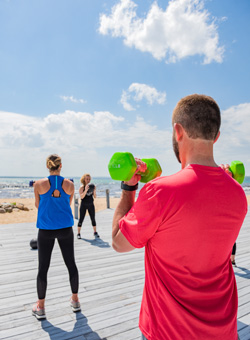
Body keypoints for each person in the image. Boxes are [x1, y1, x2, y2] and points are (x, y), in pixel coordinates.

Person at [112, 94, 248, 340]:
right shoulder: (238, 194)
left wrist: (129, 189)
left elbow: (118, 242)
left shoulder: (161, 191)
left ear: (178, 131)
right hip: (223, 331)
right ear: (216, 136)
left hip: (168, 332)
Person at [32, 154, 80, 320]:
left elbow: (38, 205)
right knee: (70, 264)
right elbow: (67, 204)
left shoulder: (38, 184)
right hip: (65, 228)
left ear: (48, 166)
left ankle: (41, 307)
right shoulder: (70, 184)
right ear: (61, 166)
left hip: (46, 229)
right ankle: (75, 301)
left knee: (43, 268)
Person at [77, 173, 99, 239]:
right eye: (87, 179)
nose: (88, 180)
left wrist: (94, 190)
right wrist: (86, 190)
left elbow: (95, 197)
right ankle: (78, 233)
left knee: (93, 219)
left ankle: (95, 232)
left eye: (89, 179)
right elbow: (81, 197)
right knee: (81, 219)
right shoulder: (82, 187)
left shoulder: (91, 186)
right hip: (83, 205)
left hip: (91, 205)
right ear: (84, 179)